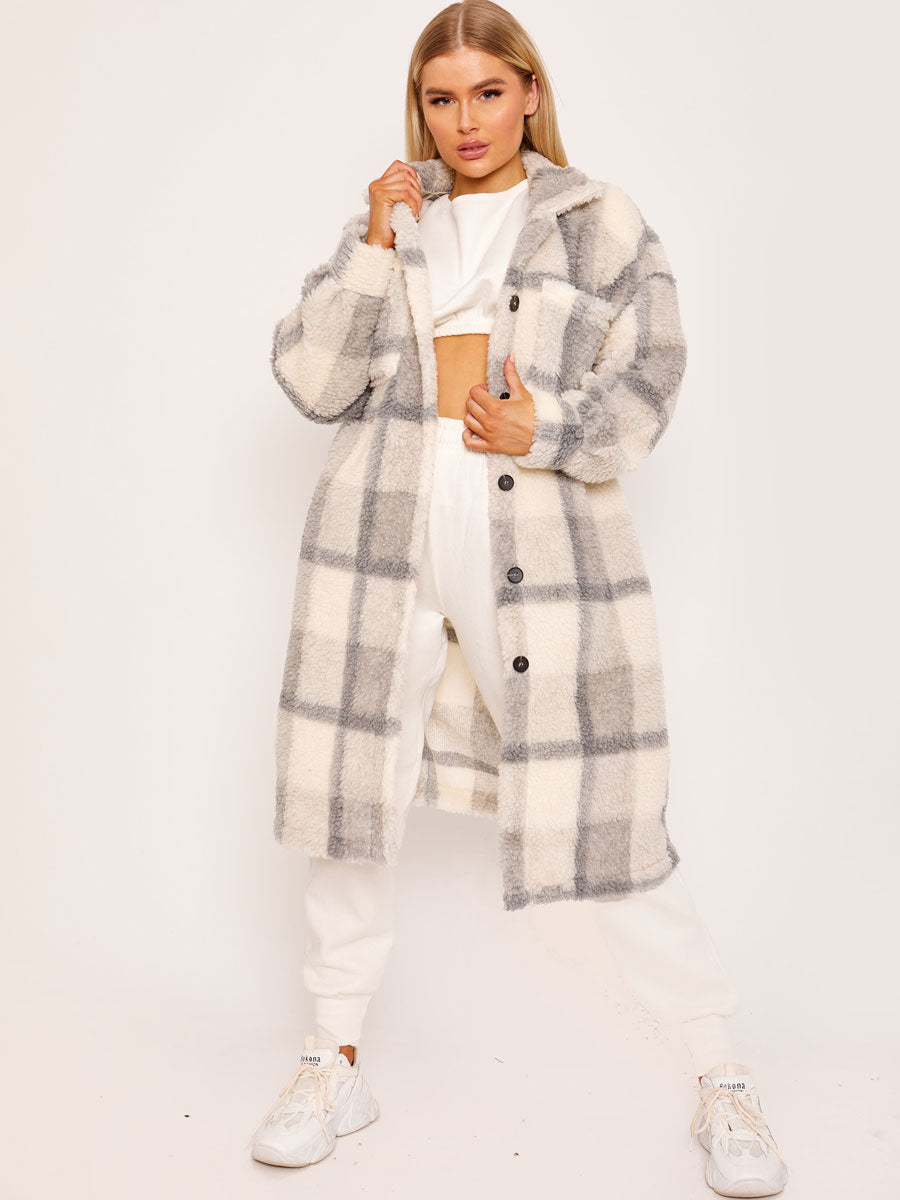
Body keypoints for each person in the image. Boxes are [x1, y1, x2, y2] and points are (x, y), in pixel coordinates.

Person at [248, 3, 790, 1195]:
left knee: (608, 806)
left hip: (537, 536)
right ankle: (333, 1058)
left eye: (488, 93)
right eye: (441, 98)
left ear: (530, 93)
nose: (466, 120)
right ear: (421, 107)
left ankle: (721, 1073)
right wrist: (372, 245)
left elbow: (651, 381)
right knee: (352, 796)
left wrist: (546, 429)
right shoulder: (391, 223)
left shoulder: (600, 222)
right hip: (382, 534)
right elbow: (311, 379)